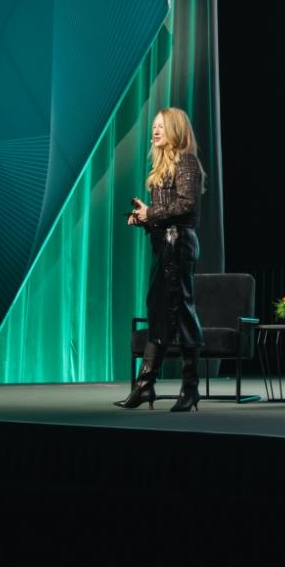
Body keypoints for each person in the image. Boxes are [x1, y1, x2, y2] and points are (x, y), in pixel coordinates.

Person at [116, 107, 206, 411]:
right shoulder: (160, 168)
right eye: (154, 126)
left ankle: (190, 389)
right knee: (157, 311)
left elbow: (186, 205)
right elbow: (164, 210)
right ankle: (145, 385)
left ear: (176, 130)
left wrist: (150, 213)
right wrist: (141, 217)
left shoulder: (187, 162)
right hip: (162, 245)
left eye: (161, 126)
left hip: (178, 244)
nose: (155, 131)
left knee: (180, 310)